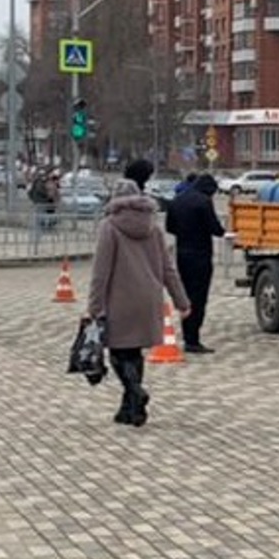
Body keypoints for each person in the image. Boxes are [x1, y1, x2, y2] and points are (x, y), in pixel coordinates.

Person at [87, 159, 189, 427]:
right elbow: (168, 269)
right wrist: (182, 301)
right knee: (135, 353)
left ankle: (135, 391)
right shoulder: (153, 228)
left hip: (119, 300)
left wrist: (94, 307)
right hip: (149, 299)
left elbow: (101, 271)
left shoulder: (110, 227)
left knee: (119, 353)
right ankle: (131, 410)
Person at [165, 172, 225, 353]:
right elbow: (215, 229)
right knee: (199, 297)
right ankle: (192, 339)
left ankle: (187, 334)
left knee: (185, 295)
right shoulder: (203, 202)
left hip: (182, 254)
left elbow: (170, 227)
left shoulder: (177, 200)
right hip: (200, 255)